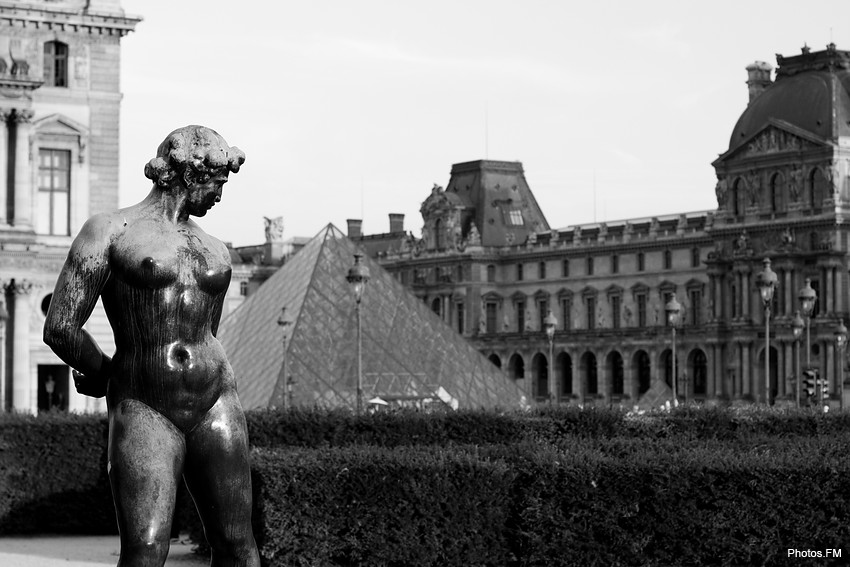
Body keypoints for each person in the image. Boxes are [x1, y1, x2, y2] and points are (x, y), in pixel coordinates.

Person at [43, 125, 259, 567]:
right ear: (189, 172)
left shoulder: (216, 250)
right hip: (144, 404)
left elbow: (207, 335)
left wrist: (104, 375)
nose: (220, 194)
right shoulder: (109, 230)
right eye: (217, 180)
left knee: (240, 547)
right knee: (144, 550)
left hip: (217, 400)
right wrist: (105, 373)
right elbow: (61, 326)